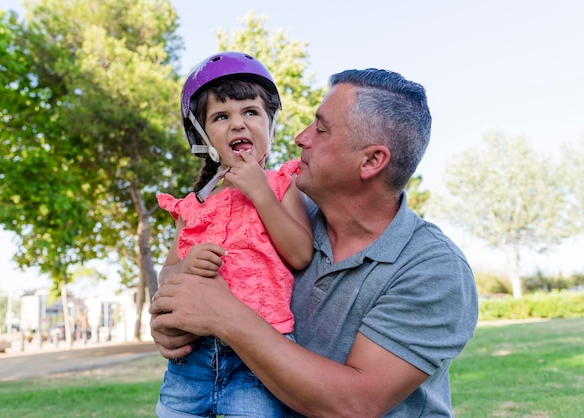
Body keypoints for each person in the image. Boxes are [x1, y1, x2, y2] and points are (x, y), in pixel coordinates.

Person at [150, 67, 479, 417]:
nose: (300, 138)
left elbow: (354, 404)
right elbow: (182, 281)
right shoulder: (279, 220)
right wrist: (168, 324)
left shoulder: (433, 269)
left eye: (320, 129)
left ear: (371, 161)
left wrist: (226, 318)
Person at [153, 51, 313, 417]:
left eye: (251, 112)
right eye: (221, 116)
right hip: (192, 360)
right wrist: (188, 265)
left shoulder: (282, 185)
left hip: (258, 357)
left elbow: (301, 253)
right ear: (202, 133)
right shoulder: (192, 206)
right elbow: (167, 278)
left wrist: (260, 195)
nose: (238, 124)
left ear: (270, 124)